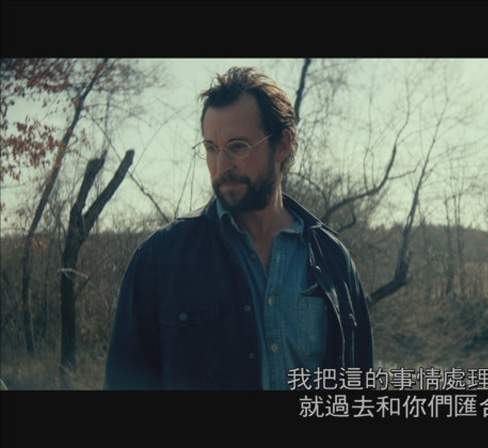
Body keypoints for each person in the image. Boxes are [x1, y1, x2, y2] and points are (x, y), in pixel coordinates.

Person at [105, 67, 373, 390]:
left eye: (238, 147)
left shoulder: (332, 261)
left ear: (283, 144)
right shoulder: (160, 260)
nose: (221, 166)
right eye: (211, 148)